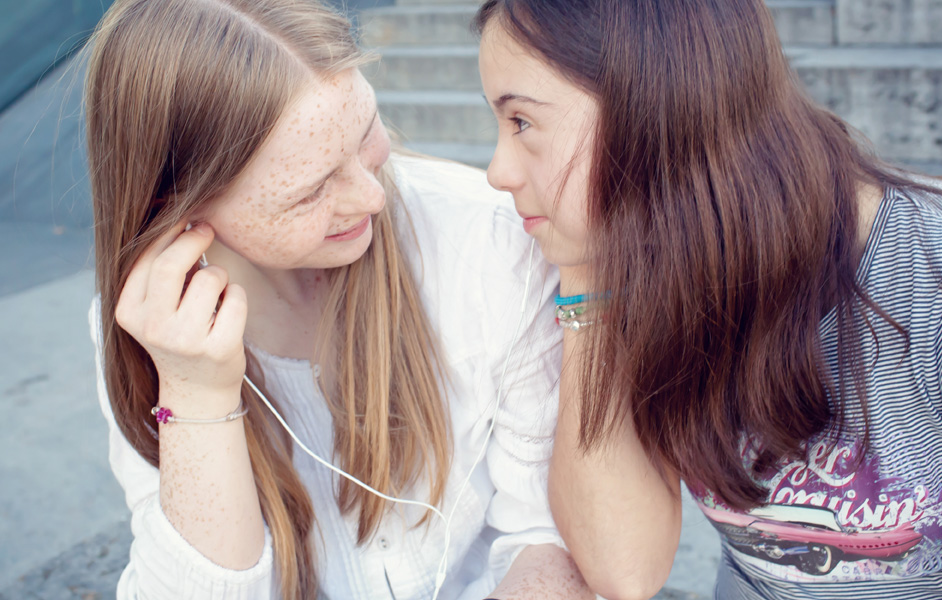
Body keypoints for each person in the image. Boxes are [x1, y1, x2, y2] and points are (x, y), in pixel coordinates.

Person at [85, 0, 595, 598]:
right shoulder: (155, 323)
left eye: (365, 136)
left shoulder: (487, 243)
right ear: (179, 205)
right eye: (310, 191)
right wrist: (196, 394)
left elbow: (547, 535)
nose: (372, 197)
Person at [475, 0, 942, 599]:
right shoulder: (657, 261)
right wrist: (585, 273)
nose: (497, 170)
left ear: (655, 109)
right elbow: (624, 567)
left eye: (522, 122)